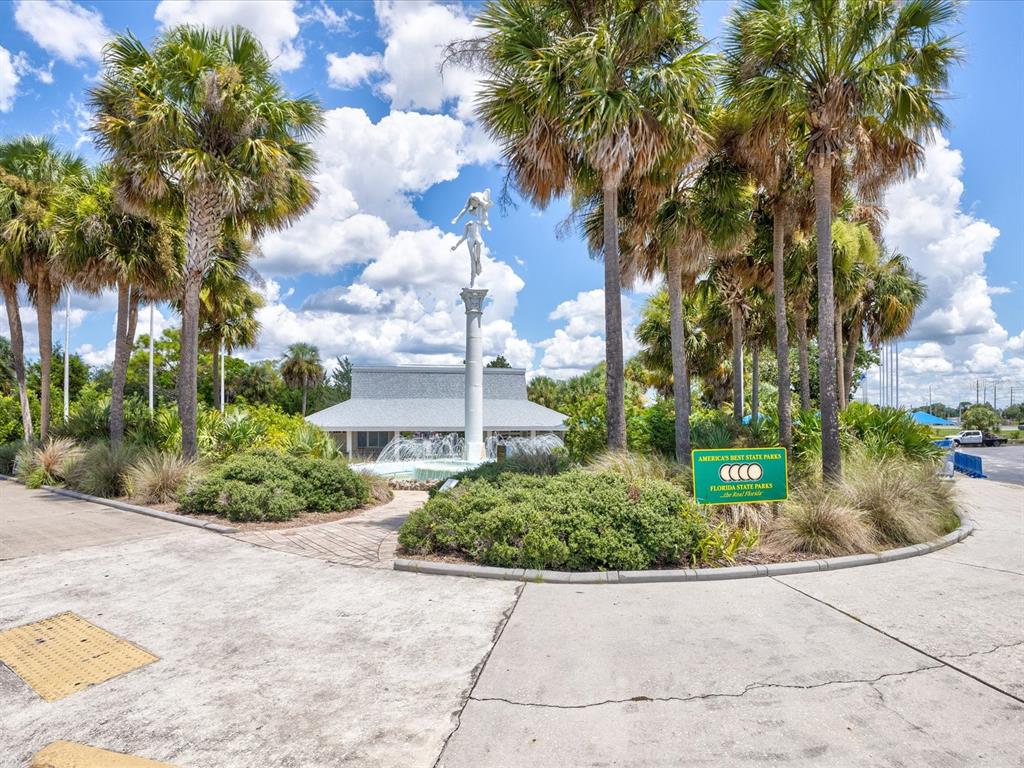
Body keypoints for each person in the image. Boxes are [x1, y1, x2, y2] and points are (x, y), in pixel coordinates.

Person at [451, 219, 484, 287]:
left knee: (479, 243)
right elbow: (464, 237)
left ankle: (478, 260)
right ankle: (472, 280)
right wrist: (456, 245)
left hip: (478, 238)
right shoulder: (467, 225)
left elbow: (484, 212)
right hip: (470, 240)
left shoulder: (479, 222)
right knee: (472, 259)